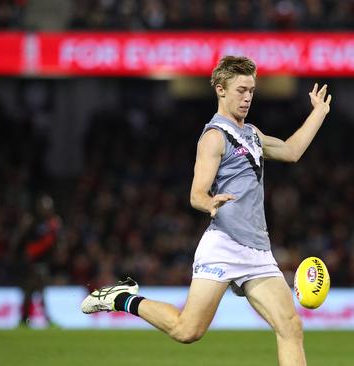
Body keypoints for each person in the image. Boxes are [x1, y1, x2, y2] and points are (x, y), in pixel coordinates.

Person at [81, 55, 331, 366]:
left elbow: (292, 151)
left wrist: (319, 113)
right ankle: (121, 298)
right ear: (220, 89)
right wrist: (208, 202)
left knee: (291, 327)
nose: (247, 97)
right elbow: (197, 192)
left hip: (257, 251)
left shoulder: (251, 133)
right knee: (187, 330)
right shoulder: (214, 137)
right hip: (223, 245)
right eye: (241, 90)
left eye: (251, 90)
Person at [16, 194, 61, 327]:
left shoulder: (51, 224)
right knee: (37, 289)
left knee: (33, 290)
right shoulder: (32, 222)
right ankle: (42, 318)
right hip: (33, 262)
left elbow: (55, 244)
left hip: (43, 261)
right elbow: (24, 242)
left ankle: (25, 319)